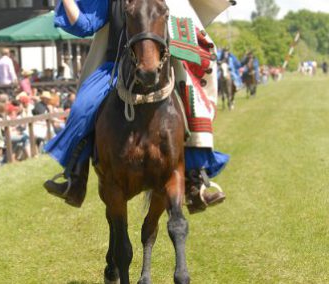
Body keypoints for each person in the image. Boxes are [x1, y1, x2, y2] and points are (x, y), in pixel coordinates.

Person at [44, 0, 230, 212]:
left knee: (192, 98)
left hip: (162, 63)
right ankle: (75, 178)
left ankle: (196, 180)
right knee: (82, 107)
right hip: (114, 67)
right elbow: (84, 25)